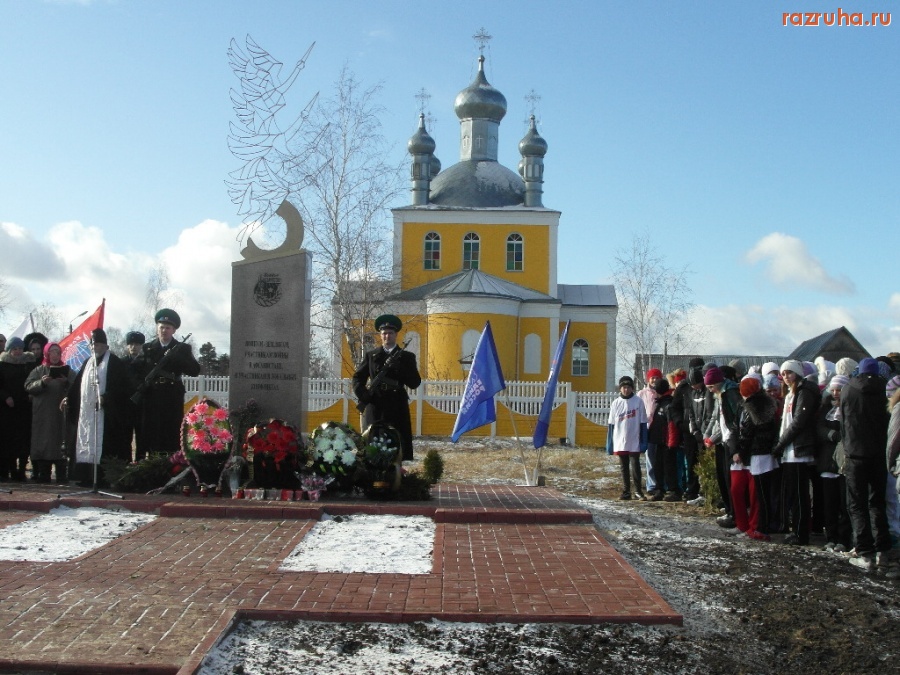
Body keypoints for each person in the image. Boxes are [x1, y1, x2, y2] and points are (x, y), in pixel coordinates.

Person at [840, 358, 890, 572]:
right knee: (877, 503)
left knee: (857, 504)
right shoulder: (885, 390)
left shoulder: (848, 390)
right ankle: (882, 552)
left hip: (855, 454)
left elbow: (843, 421)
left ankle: (865, 552)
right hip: (879, 454)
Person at [65, 329, 134, 484]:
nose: (95, 347)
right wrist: (68, 398)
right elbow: (76, 386)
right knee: (85, 440)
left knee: (105, 444)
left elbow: (122, 388)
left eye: (98, 344)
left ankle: (103, 477)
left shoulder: (115, 363)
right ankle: (86, 476)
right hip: (87, 413)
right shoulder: (87, 363)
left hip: (107, 416)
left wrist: (106, 397)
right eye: (93, 344)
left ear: (105, 345)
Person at [352, 314, 422, 461]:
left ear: (396, 335)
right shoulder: (371, 356)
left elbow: (415, 382)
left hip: (396, 405)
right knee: (372, 442)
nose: (387, 336)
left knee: (397, 443)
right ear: (380, 335)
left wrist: (400, 368)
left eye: (390, 333)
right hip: (375, 404)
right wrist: (363, 394)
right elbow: (358, 377)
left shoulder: (407, 357)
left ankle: (397, 475)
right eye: (384, 333)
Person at [139, 309, 201, 457]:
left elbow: (194, 370)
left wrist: (178, 358)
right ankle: (152, 462)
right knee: (152, 431)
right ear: (157, 328)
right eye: (161, 327)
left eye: (168, 327)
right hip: (152, 394)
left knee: (171, 431)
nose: (164, 330)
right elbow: (139, 369)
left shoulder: (182, 348)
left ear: (174, 330)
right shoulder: (147, 348)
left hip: (171, 395)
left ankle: (172, 462)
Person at [772, 360, 820, 546]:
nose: (786, 377)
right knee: (794, 492)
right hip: (790, 448)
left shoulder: (804, 391)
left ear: (798, 373)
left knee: (800, 494)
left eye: (789, 373)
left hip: (799, 448)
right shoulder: (791, 393)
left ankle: (801, 533)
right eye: (783, 374)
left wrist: (780, 444)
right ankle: (798, 530)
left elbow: (799, 421)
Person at [24, 342, 74, 483]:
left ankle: (62, 475)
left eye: (57, 352)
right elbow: (28, 386)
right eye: (52, 352)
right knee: (44, 443)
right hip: (43, 415)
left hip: (61, 414)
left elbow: (77, 386)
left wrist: (66, 382)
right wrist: (42, 383)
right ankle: (43, 474)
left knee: (61, 443)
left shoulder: (67, 370)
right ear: (46, 353)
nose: (55, 355)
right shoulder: (39, 371)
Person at [737, 375, 779, 541]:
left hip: (757, 454)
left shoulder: (750, 408)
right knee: (767, 492)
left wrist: (740, 451)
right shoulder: (769, 403)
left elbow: (746, 433)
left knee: (760, 494)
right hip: (768, 453)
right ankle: (767, 525)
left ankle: (761, 527)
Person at [703, 366, 742, 528]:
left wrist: (732, 444)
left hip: (731, 441)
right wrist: (709, 435)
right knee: (723, 478)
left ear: (718, 383)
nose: (711, 391)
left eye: (711, 387)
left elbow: (734, 421)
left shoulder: (730, 394)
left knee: (730, 480)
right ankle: (729, 510)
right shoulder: (720, 395)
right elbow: (717, 418)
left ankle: (735, 513)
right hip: (723, 440)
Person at [0, 337, 38, 480]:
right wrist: (5, 397)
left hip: (24, 408)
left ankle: (21, 470)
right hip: (7, 409)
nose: (17, 352)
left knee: (23, 441)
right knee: (8, 441)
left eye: (20, 349)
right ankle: (9, 469)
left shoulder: (28, 364)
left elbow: (32, 382)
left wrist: (31, 393)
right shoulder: (2, 365)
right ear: (9, 350)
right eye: (14, 349)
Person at [606, 375, 648, 500]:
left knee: (635, 466)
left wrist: (643, 441)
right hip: (620, 440)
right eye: (624, 387)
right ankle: (626, 491)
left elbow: (643, 423)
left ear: (632, 388)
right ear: (620, 388)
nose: (626, 390)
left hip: (634, 439)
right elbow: (611, 425)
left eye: (628, 387)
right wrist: (610, 443)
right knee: (623, 467)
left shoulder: (638, 402)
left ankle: (638, 491)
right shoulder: (616, 403)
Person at [122, 331, 147, 460]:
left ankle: (140, 463)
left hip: (141, 405)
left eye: (137, 344)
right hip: (126, 405)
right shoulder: (122, 363)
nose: (134, 347)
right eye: (131, 344)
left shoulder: (146, 363)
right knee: (126, 437)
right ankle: (125, 463)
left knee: (141, 437)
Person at [638, 368, 663, 495]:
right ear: (648, 379)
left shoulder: (663, 392)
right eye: (653, 378)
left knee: (660, 459)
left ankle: (661, 484)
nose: (654, 380)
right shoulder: (642, 394)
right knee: (650, 459)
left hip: (659, 428)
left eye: (657, 378)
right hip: (647, 428)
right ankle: (651, 485)